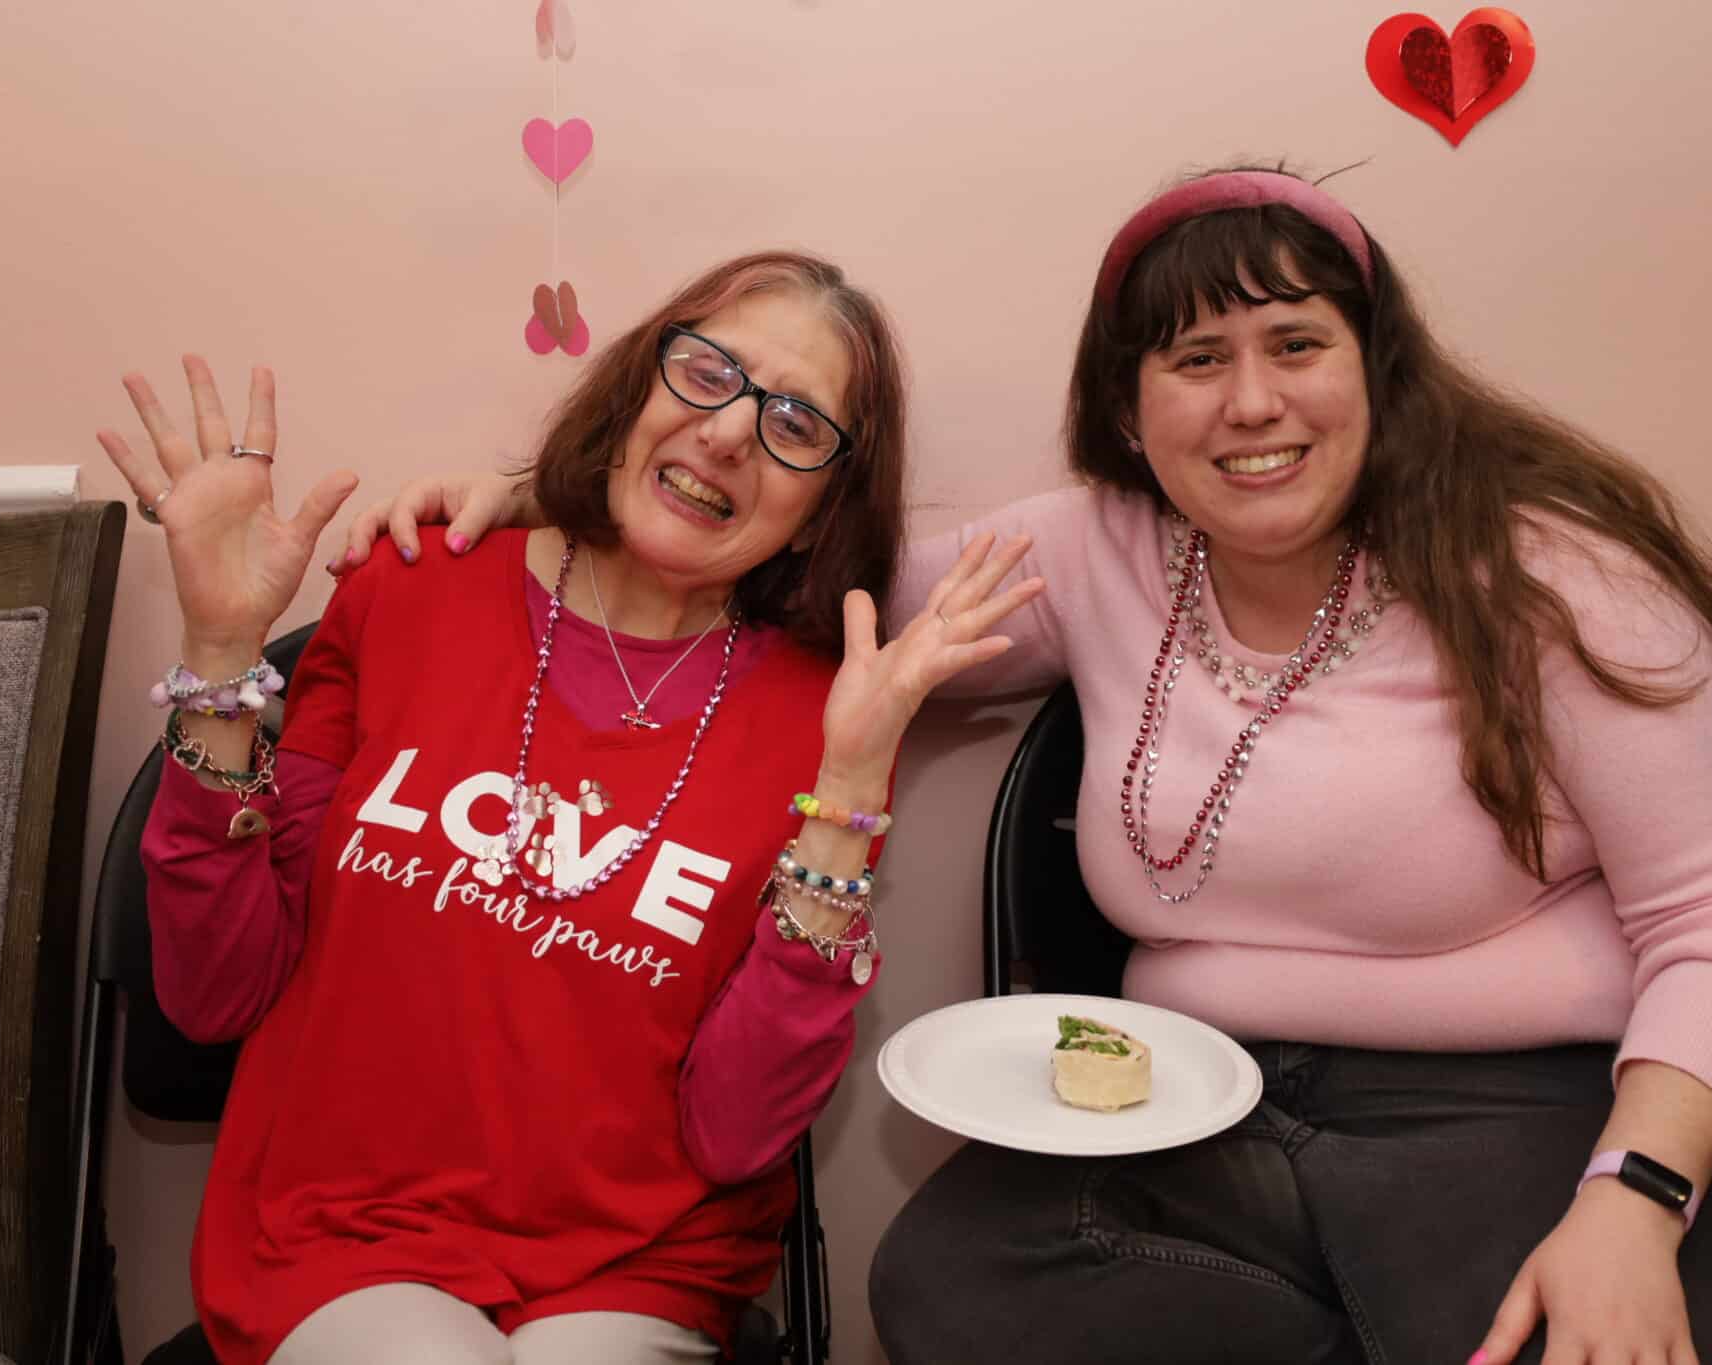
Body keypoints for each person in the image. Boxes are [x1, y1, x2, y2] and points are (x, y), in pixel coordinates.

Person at [337, 168, 1712, 1364]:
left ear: (1376, 371)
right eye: (1196, 360)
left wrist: (1636, 1204)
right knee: (943, 1287)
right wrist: (546, 506)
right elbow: (801, 575)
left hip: (1551, 1116)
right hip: (1211, 1123)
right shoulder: (1094, 553)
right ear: (1130, 411)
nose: (1251, 403)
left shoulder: (1558, 579)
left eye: (1295, 345)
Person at [94, 250, 1041, 1365]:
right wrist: (218, 656)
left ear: (819, 506)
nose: (731, 432)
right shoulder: (412, 589)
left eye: (794, 423)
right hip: (347, 1236)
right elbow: (217, 994)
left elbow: (735, 1135)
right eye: (707, 374)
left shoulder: (828, 709)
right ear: (638, 386)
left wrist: (843, 794)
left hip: (638, 1263)